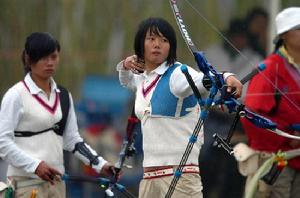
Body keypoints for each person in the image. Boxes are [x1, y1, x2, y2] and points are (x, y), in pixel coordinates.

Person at [116, 17, 243, 198]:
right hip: (150, 175)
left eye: (164, 40)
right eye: (151, 39)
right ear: (140, 44)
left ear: (171, 47)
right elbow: (126, 79)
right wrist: (126, 64)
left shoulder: (177, 74)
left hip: (180, 175)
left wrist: (227, 77)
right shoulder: (143, 77)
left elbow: (204, 79)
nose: (157, 45)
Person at [0, 32, 115, 198]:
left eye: (54, 57)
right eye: (43, 57)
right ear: (29, 59)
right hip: (26, 186)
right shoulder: (16, 95)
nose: (50, 62)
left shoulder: (63, 96)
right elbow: (3, 143)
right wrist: (35, 165)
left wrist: (101, 165)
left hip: (57, 186)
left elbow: (72, 140)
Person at [240, 7, 300, 198]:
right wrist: (287, 137)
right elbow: (250, 117)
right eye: (299, 28)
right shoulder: (269, 68)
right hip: (276, 161)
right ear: (284, 35)